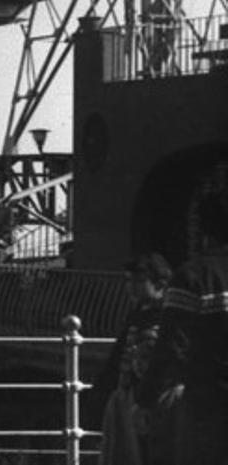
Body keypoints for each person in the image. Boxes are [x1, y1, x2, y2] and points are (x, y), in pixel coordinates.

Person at [140, 157, 228, 465]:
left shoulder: (194, 276)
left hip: (209, 408)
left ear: (203, 229)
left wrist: (145, 397)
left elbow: (171, 347)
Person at [96, 253, 171, 465]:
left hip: (156, 397)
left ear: (159, 284)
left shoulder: (168, 316)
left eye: (138, 281)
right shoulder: (137, 313)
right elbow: (120, 354)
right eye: (128, 281)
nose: (131, 287)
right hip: (129, 393)